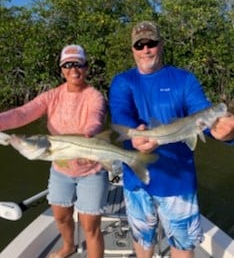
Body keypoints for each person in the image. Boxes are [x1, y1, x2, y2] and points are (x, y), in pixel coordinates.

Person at [109, 21, 234, 258]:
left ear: (161, 44)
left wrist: (225, 132)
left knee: (182, 245)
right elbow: (120, 112)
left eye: (151, 43)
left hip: (178, 183)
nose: (146, 49)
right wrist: (134, 132)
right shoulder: (123, 81)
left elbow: (202, 110)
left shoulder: (184, 80)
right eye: (139, 44)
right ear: (133, 49)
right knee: (142, 240)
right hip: (137, 180)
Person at [0, 44, 109, 258]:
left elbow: (95, 118)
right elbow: (22, 114)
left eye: (78, 64)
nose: (73, 69)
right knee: (61, 217)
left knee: (90, 227)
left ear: (86, 68)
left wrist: (90, 132)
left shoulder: (94, 96)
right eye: (67, 65)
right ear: (61, 70)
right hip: (61, 170)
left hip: (92, 171)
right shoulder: (51, 97)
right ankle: (68, 246)